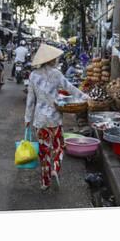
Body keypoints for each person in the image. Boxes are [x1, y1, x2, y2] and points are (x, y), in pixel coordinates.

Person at [25, 44, 89, 191]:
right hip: (54, 119)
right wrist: (84, 96)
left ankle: (45, 182)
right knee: (58, 146)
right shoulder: (57, 74)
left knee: (44, 151)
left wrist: (27, 119)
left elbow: (30, 100)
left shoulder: (33, 75)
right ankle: (55, 167)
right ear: (52, 59)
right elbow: (70, 88)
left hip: (40, 120)